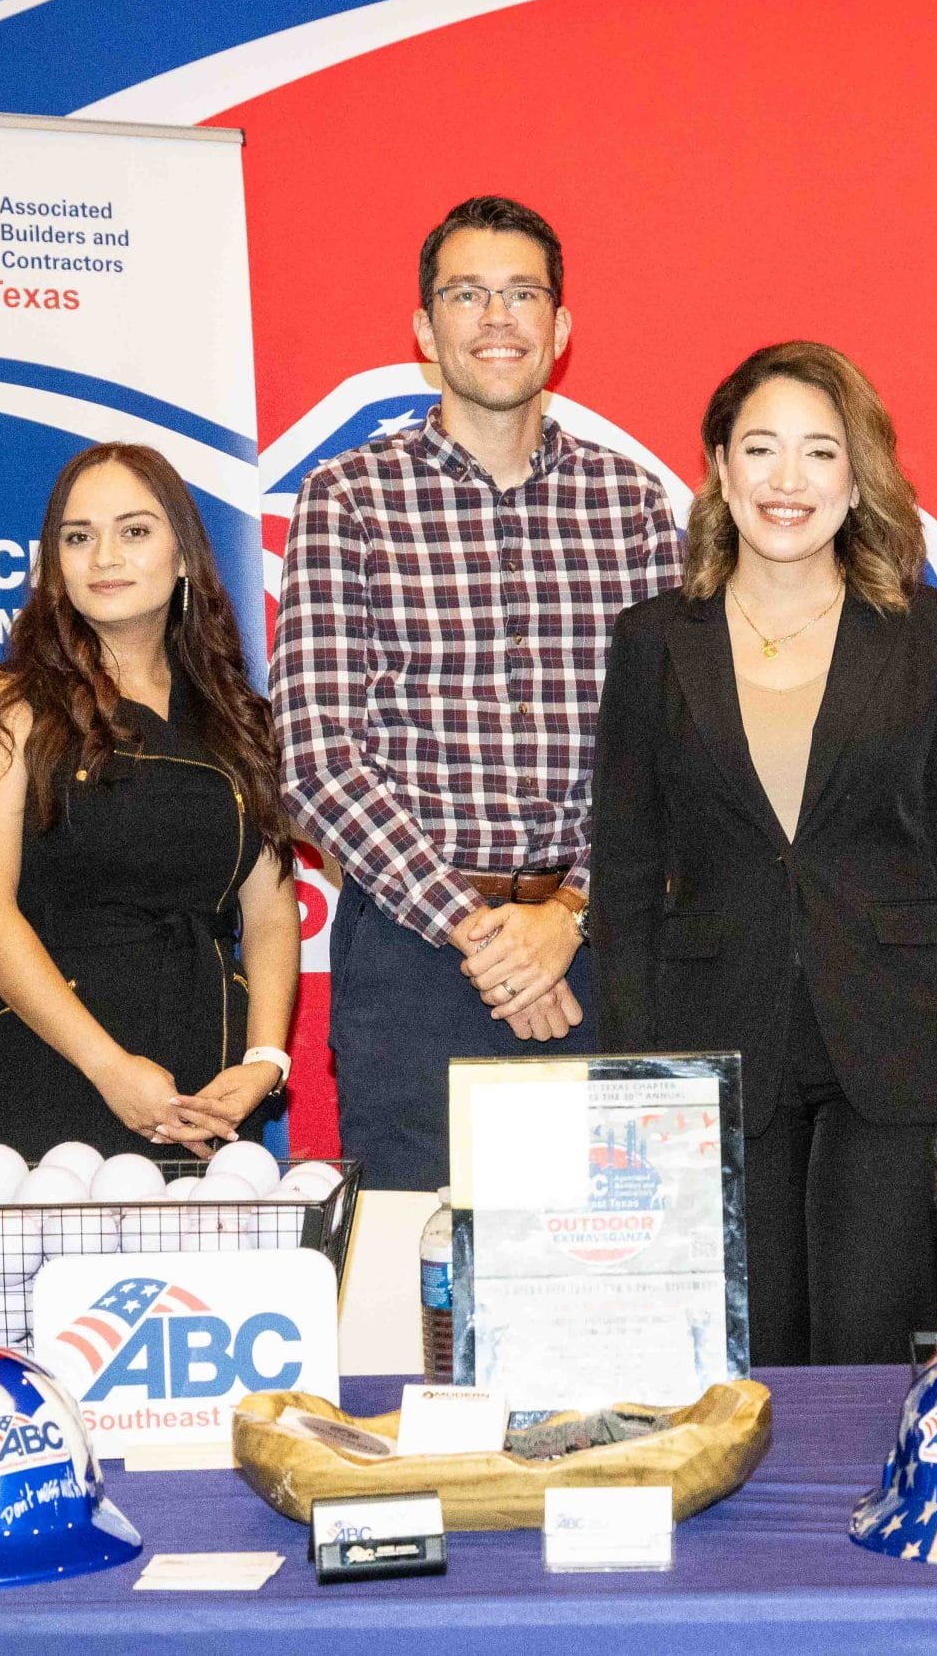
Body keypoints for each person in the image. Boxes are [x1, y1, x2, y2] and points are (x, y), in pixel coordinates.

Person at [591, 342, 937, 1366]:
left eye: (820, 452)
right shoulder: (654, 640)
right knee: (752, 1350)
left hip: (896, 1036)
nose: (788, 480)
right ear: (719, 468)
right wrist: (635, 1071)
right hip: (717, 1041)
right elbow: (624, 870)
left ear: (857, 477)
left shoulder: (924, 631)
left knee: (872, 1338)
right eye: (761, 449)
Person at [273, 196, 683, 1192]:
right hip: (413, 959)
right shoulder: (347, 498)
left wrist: (568, 916)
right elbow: (316, 760)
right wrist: (483, 937)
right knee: (417, 1260)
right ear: (425, 330)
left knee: (607, 1250)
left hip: (598, 952)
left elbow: (672, 751)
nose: (496, 317)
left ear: (561, 327)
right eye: (466, 295)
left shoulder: (632, 504)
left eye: (521, 294)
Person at [0, 442, 300, 1160]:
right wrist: (109, 1068)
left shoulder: (238, 719)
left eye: (134, 531)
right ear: (54, 567)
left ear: (185, 558)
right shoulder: (7, 707)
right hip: (60, 1075)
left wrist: (264, 1059)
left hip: (213, 1090)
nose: (104, 556)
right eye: (78, 537)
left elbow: (269, 911)